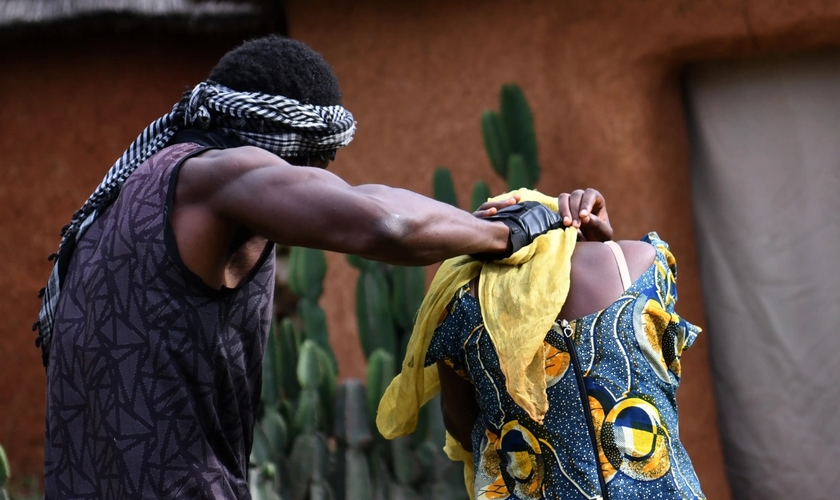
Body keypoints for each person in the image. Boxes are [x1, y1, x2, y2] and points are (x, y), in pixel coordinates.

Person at [33, 36, 613, 499]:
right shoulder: (212, 179)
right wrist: (509, 231)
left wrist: (481, 223)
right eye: (316, 162)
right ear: (273, 147)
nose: (323, 175)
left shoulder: (139, 191)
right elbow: (383, 223)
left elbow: (372, 198)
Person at [377, 189, 705, 499]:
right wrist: (599, 247)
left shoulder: (461, 310)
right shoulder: (644, 265)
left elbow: (463, 427)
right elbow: (660, 372)